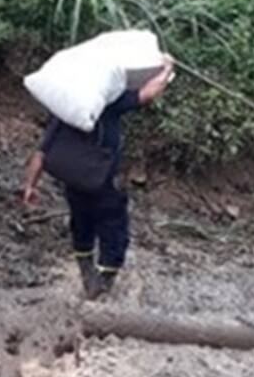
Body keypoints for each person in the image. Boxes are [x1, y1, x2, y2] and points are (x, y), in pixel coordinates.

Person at [21, 56, 175, 300]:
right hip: (104, 181)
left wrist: (30, 185)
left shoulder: (66, 110)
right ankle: (102, 285)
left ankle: (86, 273)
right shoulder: (108, 103)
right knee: (113, 228)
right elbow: (147, 93)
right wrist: (167, 68)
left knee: (81, 224)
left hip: (75, 181)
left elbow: (41, 153)